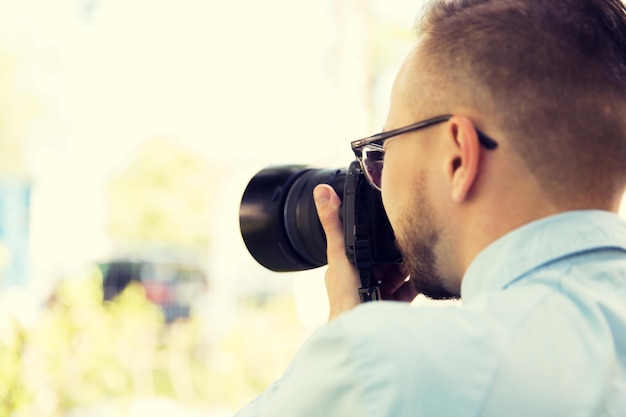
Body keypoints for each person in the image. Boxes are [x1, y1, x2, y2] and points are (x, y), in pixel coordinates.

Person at [236, 0, 626, 415]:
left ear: (458, 156)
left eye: (383, 150)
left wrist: (346, 338)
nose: (377, 182)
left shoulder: (388, 365)